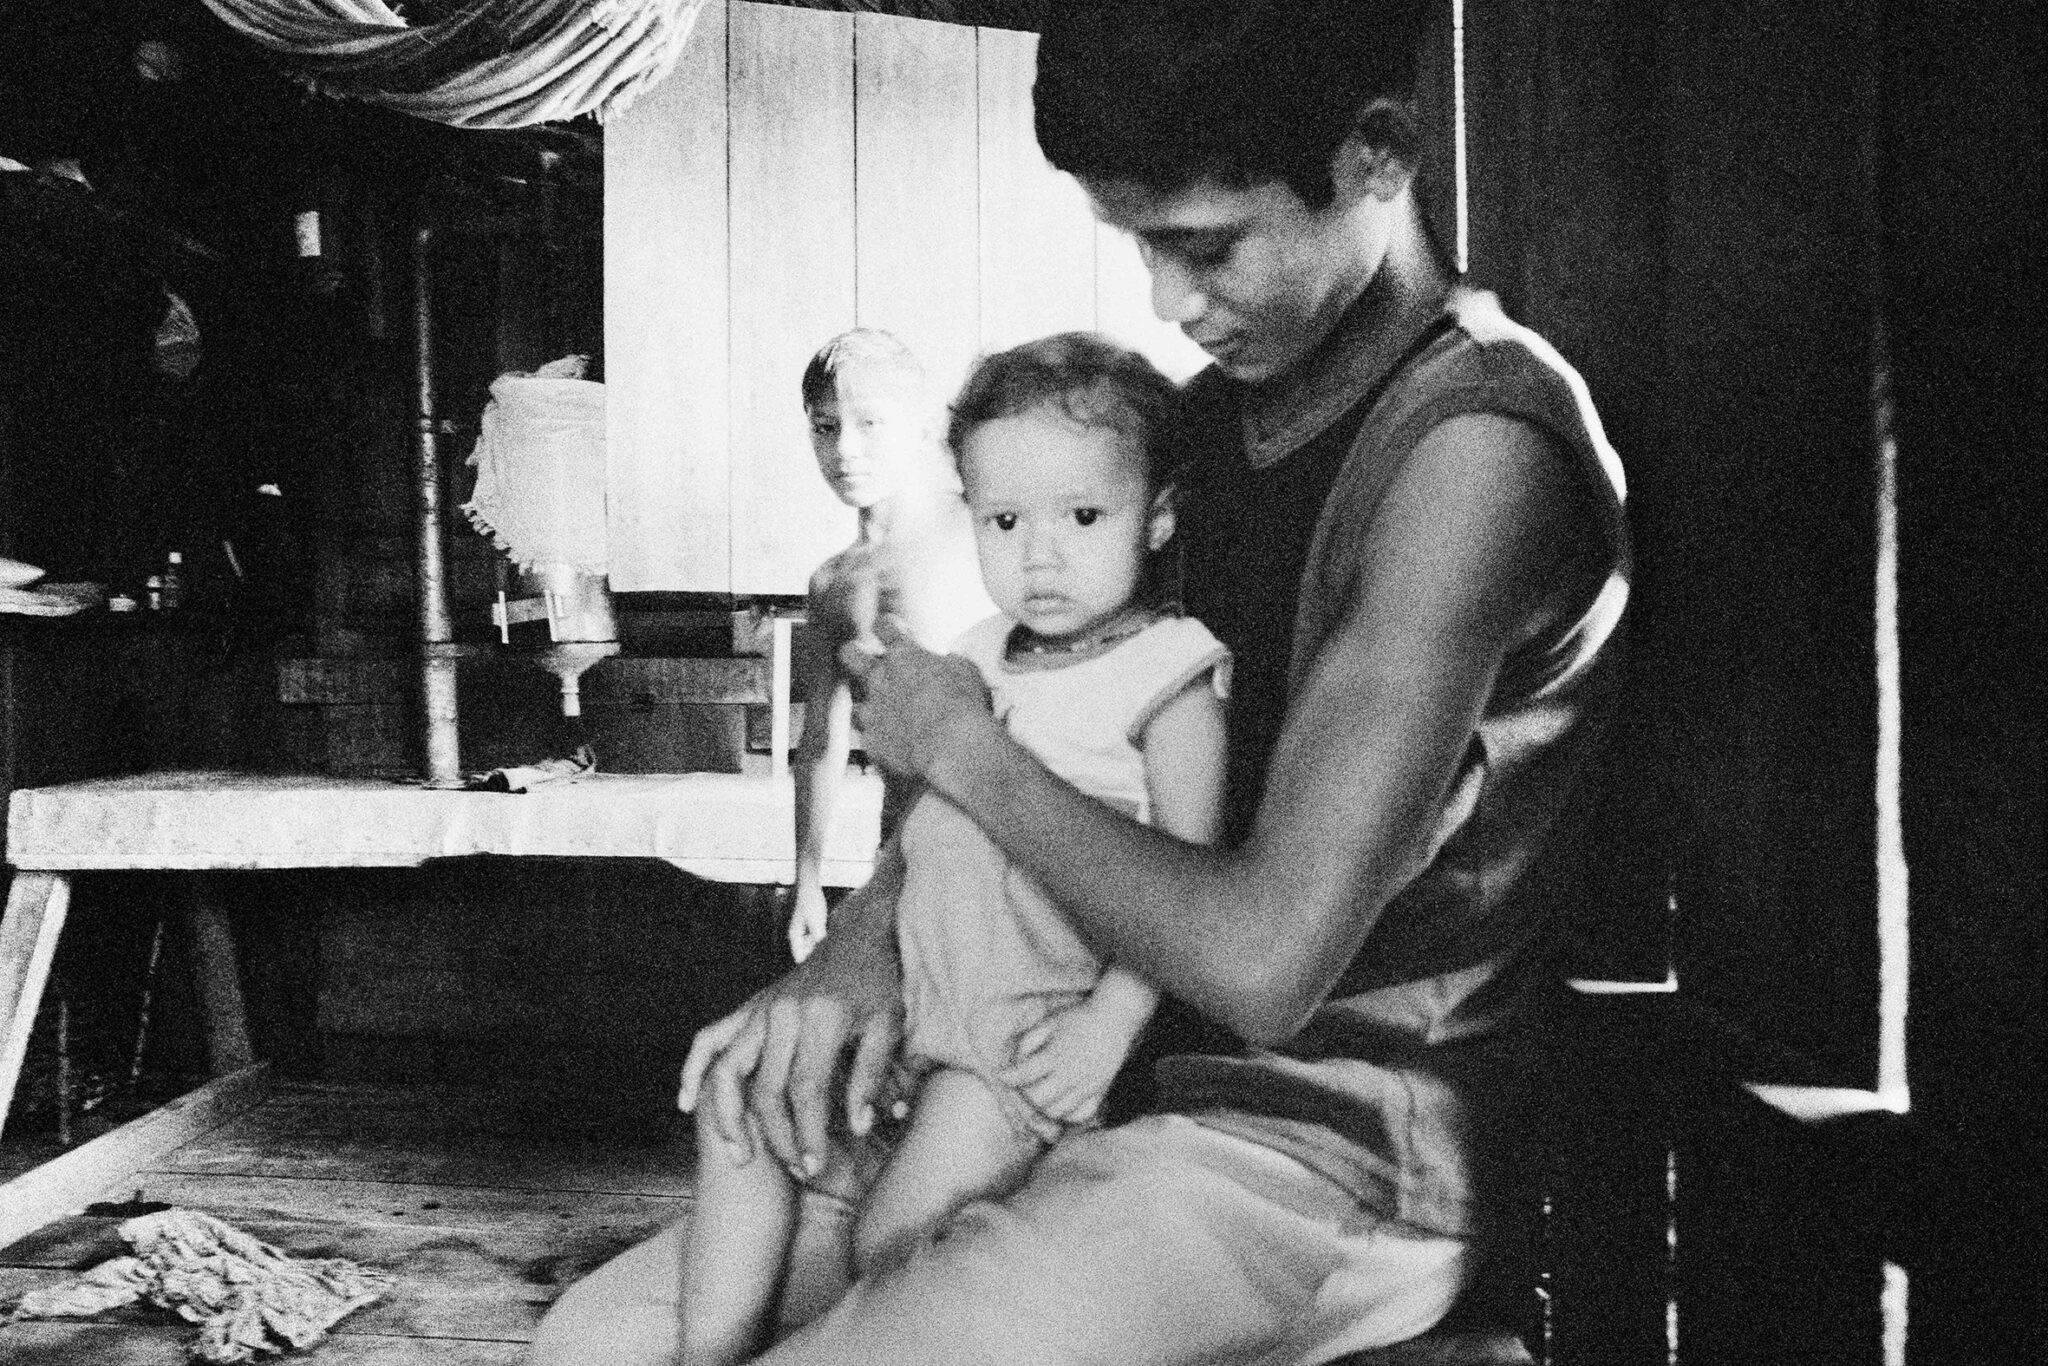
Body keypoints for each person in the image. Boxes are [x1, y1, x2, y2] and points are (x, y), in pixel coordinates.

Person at [529, 0, 1630, 1360]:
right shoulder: (1199, 443)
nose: (1169, 302)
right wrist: (866, 957)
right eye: (1138, 247)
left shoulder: (1477, 451)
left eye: (1205, 245)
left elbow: (1265, 960)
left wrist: (963, 755)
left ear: (1379, 156)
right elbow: (1028, 731)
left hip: (1314, 1152)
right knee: (601, 1343)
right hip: (1067, 1071)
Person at [674, 333, 1229, 1366]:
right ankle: (708, 1353)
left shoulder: (1169, 674)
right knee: (735, 1104)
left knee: (895, 1235)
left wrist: (1112, 1021)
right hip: (912, 1006)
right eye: (1005, 521)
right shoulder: (972, 653)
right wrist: (847, 942)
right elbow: (916, 828)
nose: (1041, 552)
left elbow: (1190, 878)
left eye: (1083, 516)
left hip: (1014, 1047)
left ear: (1153, 517)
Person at [784, 330, 992, 963]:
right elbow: (822, 742)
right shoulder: (833, 581)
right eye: (826, 427)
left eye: (870, 423)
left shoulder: (985, 531)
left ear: (925, 427)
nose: (845, 448)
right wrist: (808, 883)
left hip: (1004, 849)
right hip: (899, 863)